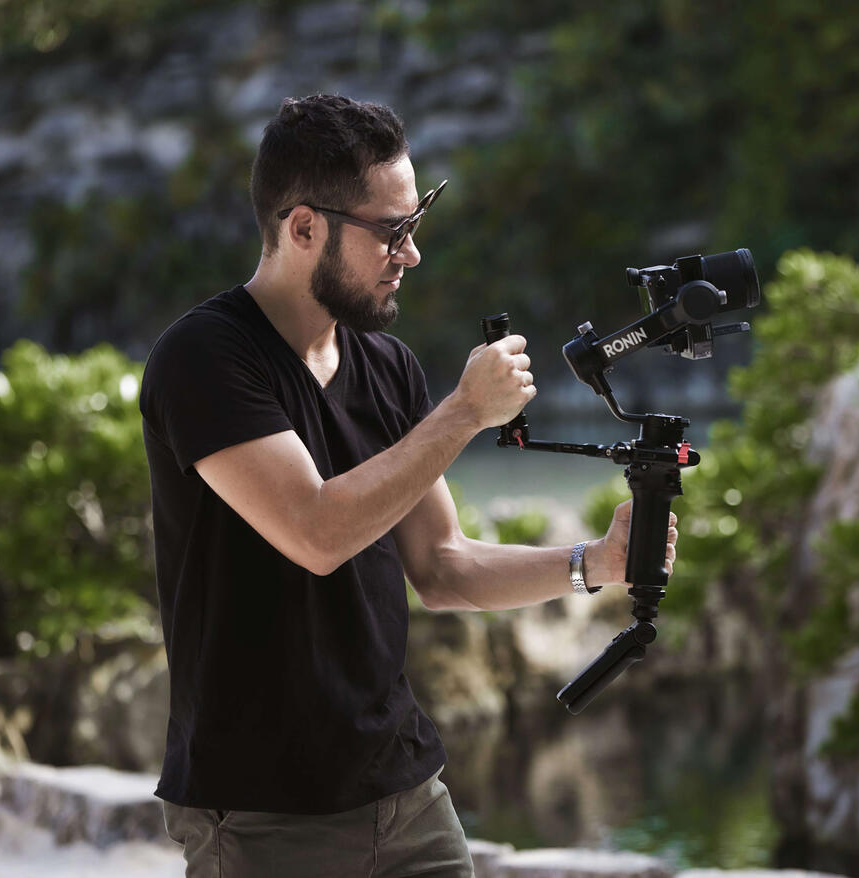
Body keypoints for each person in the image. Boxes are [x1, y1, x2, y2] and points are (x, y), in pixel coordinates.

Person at [139, 94, 678, 878]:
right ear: (302, 229)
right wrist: (463, 413)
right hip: (260, 817)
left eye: (415, 222)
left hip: (408, 797)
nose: (412, 253)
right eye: (392, 231)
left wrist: (596, 561)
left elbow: (443, 567)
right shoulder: (204, 360)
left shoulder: (387, 367)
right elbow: (317, 534)